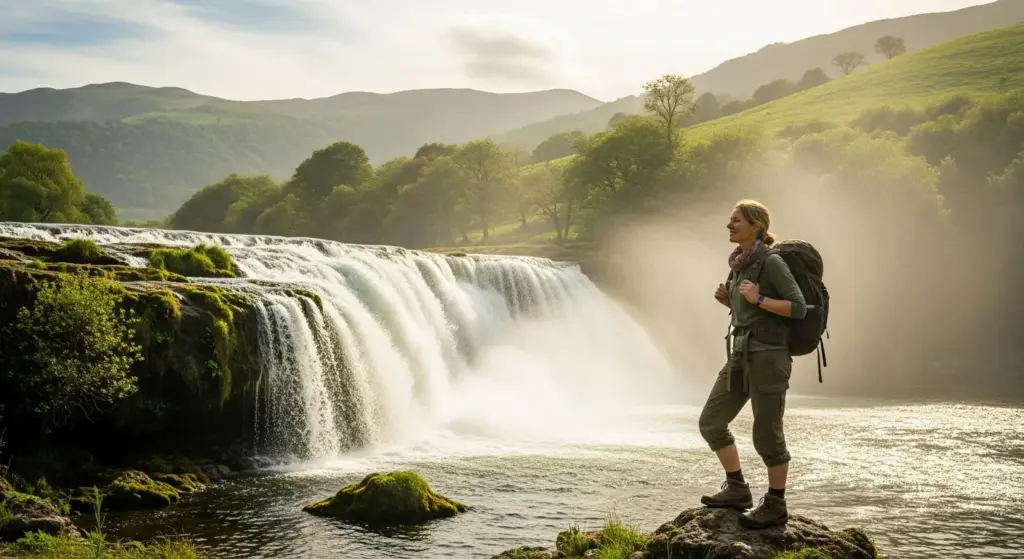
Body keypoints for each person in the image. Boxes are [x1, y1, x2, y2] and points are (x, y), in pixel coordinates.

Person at [698, 199, 806, 529]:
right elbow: (746, 309)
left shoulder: (771, 262)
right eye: (730, 220)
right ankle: (737, 489)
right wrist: (728, 300)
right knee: (711, 422)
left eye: (736, 221)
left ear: (756, 226)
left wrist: (758, 298)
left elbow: (799, 307)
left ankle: (776, 504)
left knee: (767, 433)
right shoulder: (740, 264)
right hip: (741, 353)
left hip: (769, 356)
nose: (729, 226)